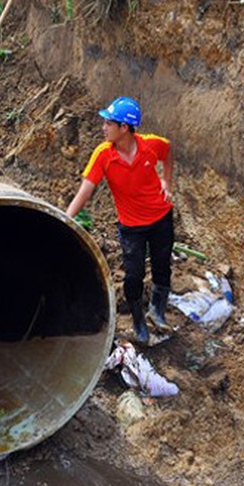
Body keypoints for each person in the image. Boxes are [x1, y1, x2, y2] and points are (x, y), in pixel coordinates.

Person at [65, 96, 175, 344]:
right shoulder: (103, 155)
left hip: (161, 218)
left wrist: (167, 181)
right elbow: (85, 190)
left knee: (162, 266)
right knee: (133, 276)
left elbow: (168, 154)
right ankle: (138, 320)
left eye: (108, 123)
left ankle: (157, 311)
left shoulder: (151, 145)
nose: (103, 127)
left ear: (124, 127)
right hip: (132, 227)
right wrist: (65, 220)